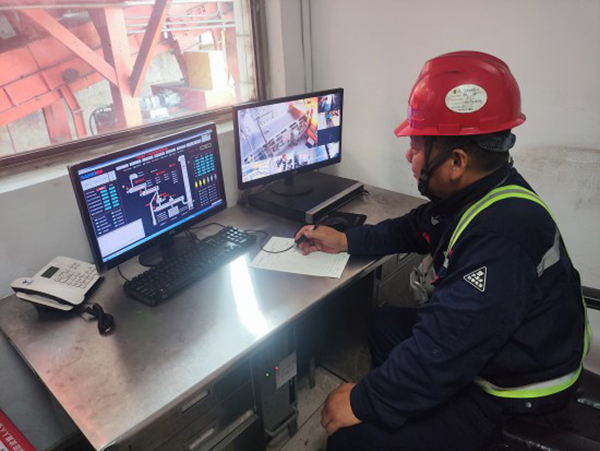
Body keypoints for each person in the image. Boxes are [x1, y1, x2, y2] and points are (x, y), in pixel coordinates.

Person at [295, 51, 591, 451]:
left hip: (517, 394)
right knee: (383, 325)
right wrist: (346, 240)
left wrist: (365, 401)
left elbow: (444, 350)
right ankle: (407, 416)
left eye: (416, 144)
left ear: (456, 162)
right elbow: (413, 228)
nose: (408, 154)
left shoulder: (500, 238)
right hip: (504, 349)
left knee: (352, 437)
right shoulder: (485, 189)